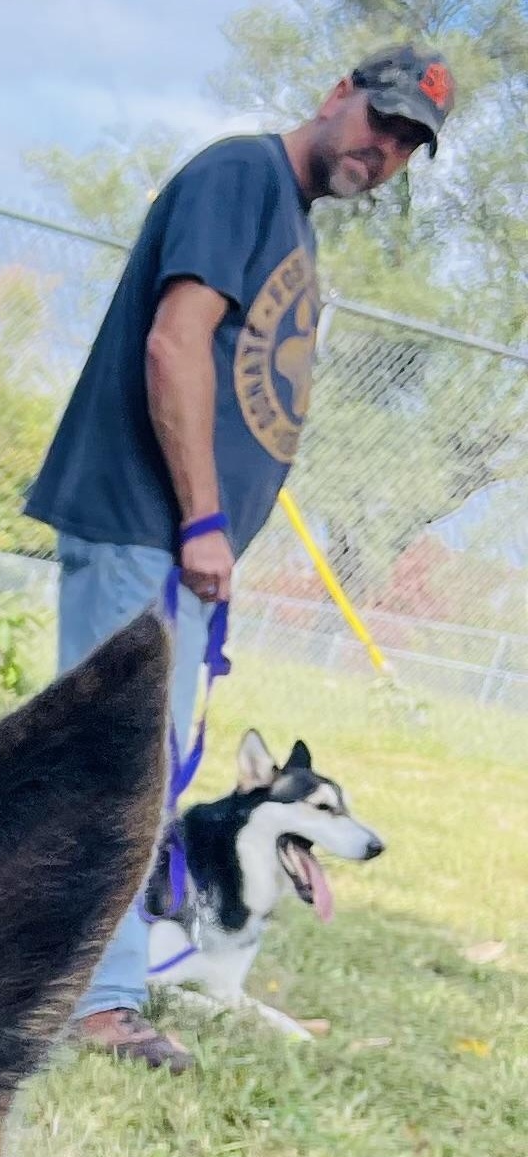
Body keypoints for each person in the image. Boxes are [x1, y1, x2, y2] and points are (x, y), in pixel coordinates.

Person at [24, 45, 453, 1066]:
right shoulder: (241, 178)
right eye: (378, 120)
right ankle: (95, 998)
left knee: (121, 769)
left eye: (406, 143)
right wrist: (205, 521)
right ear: (335, 94)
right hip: (145, 524)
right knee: (118, 771)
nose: (383, 149)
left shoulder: (285, 215)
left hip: (170, 544)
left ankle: (43, 966)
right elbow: (176, 346)